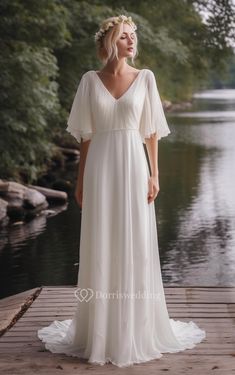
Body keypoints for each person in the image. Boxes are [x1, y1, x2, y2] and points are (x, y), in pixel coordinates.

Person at [37, 14, 206, 367]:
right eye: (125, 36)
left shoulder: (146, 78)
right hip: (99, 167)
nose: (132, 41)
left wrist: (155, 174)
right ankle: (98, 330)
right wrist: (80, 180)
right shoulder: (89, 80)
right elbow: (85, 136)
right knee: (101, 240)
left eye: (133, 36)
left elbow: (151, 133)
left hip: (133, 164)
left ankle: (135, 330)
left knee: (135, 240)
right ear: (110, 41)